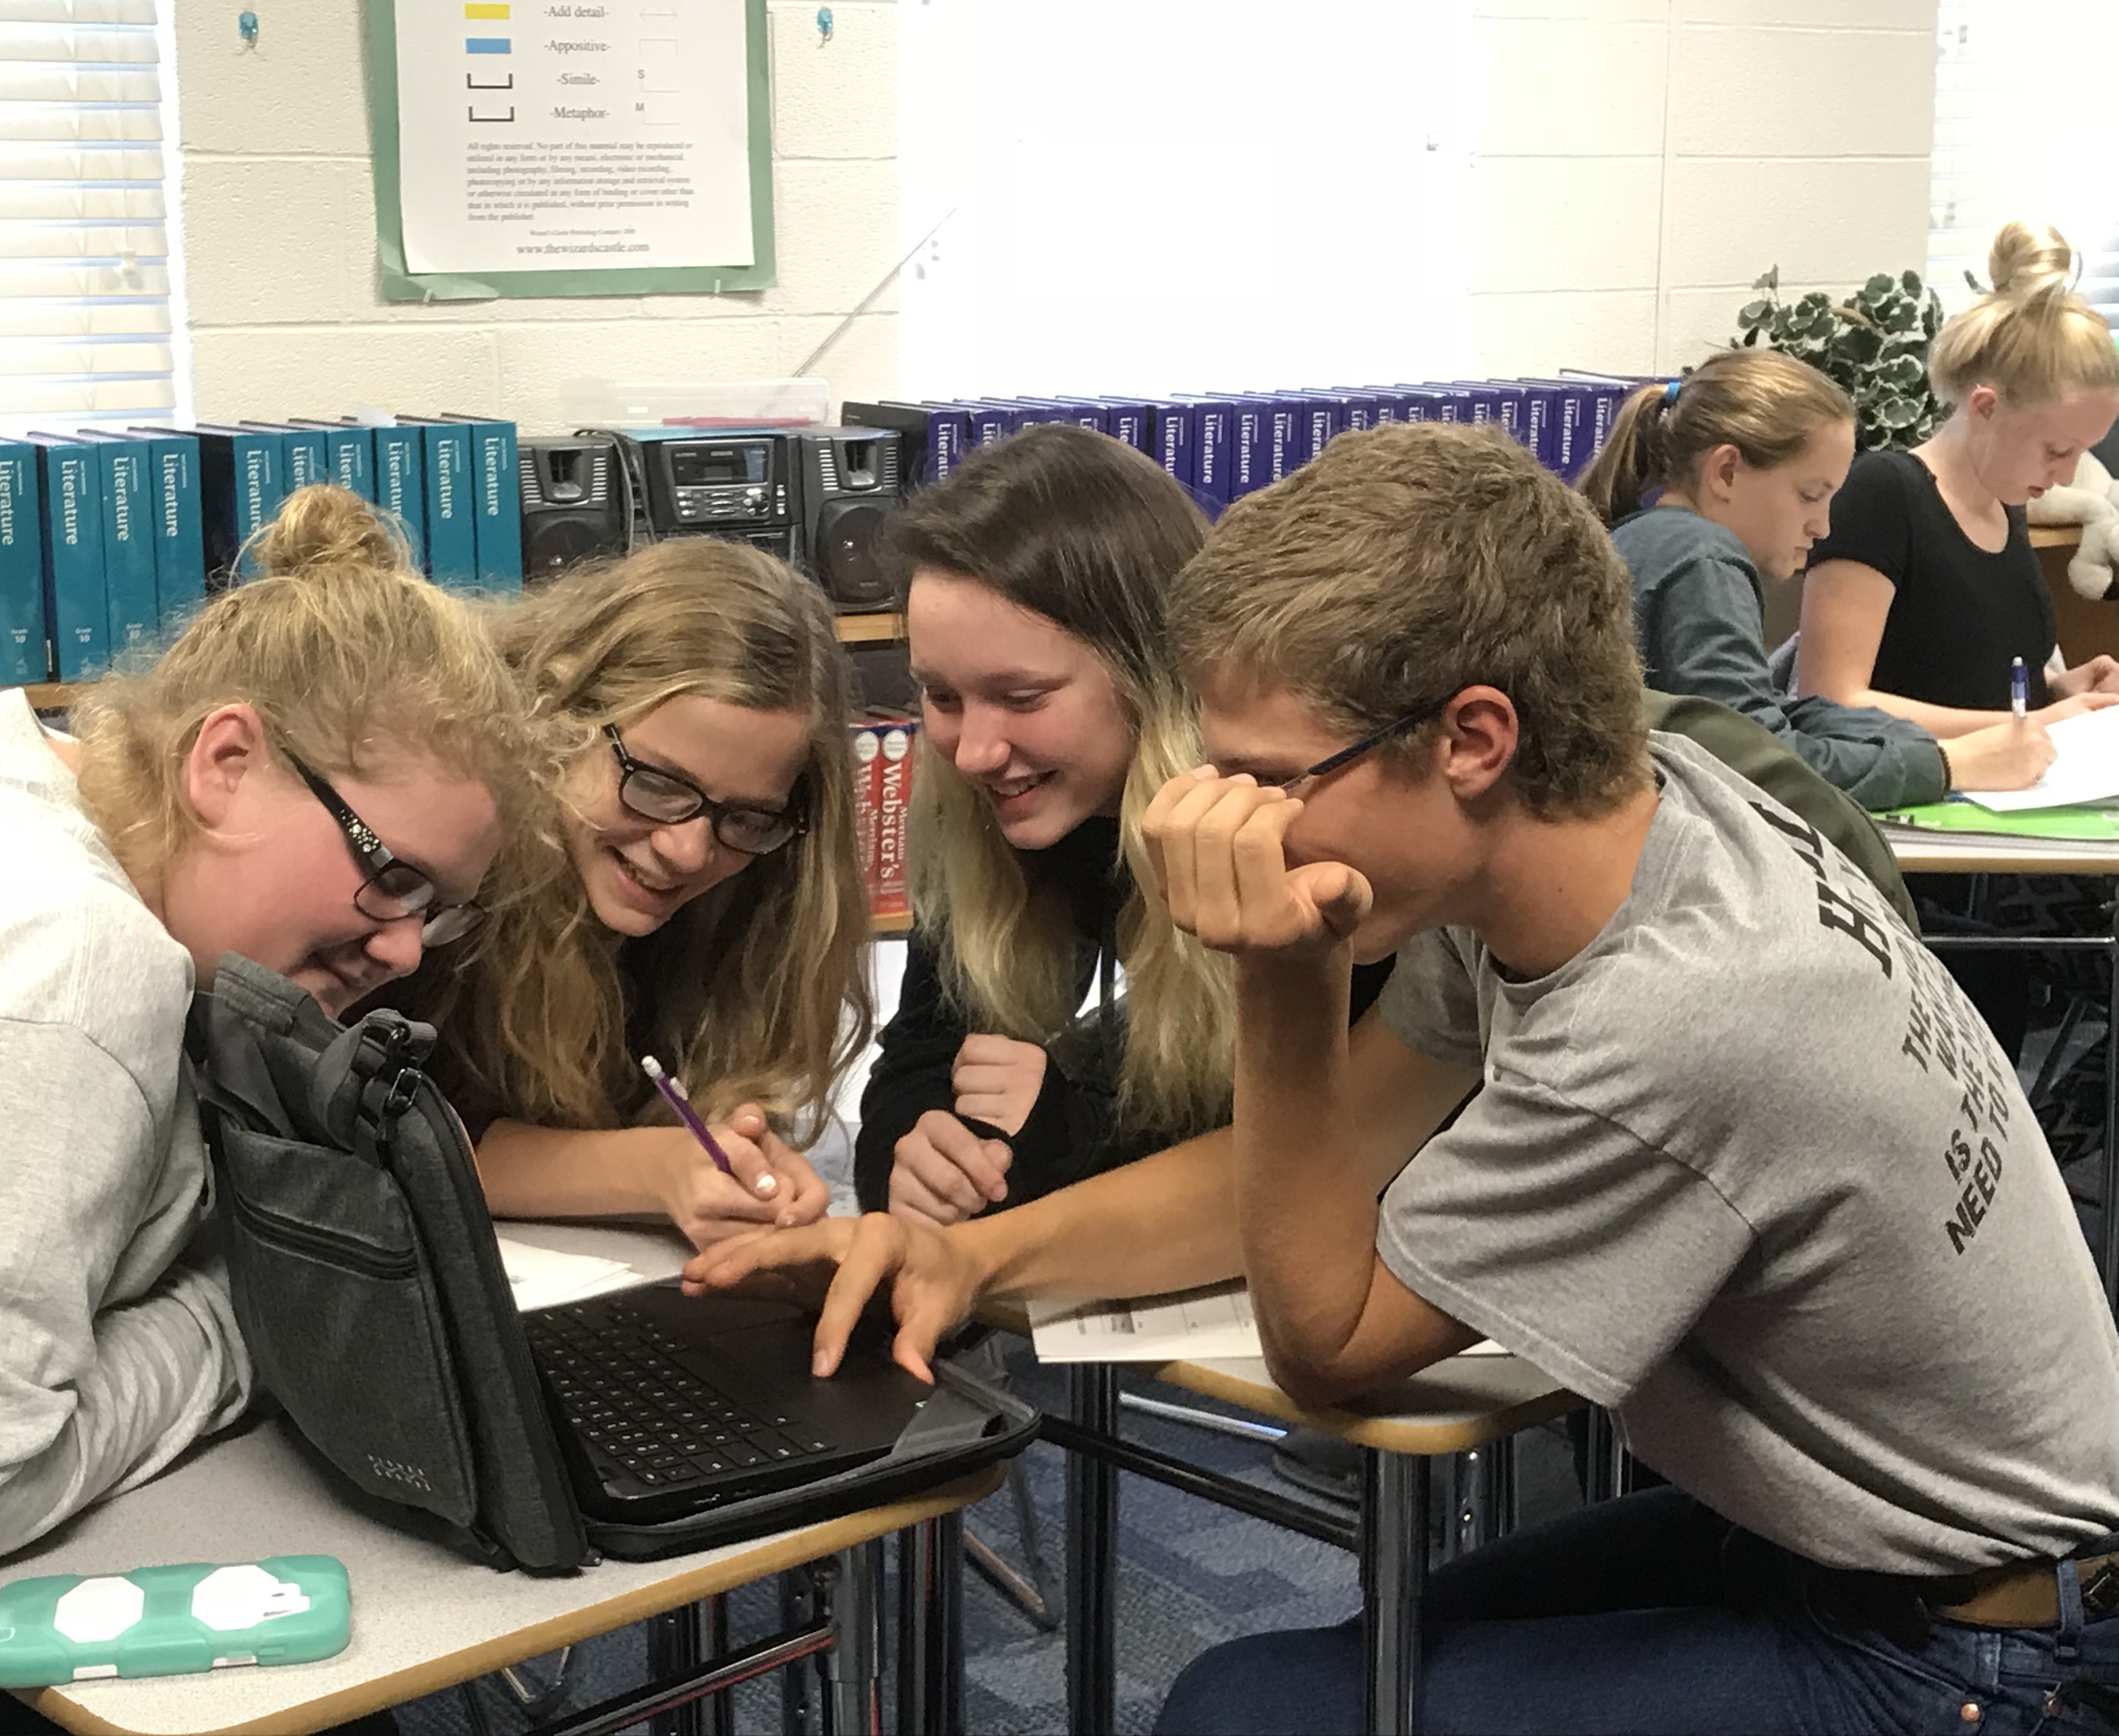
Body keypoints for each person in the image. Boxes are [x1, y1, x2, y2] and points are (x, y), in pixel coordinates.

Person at [688, 421, 2119, 1734]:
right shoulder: (1628, 822)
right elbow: (1339, 1150)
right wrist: (969, 1257)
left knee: (1243, 1715)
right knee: (1368, 1653)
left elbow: (1328, 1343)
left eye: (1264, 777)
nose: (1222, 820)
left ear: (1474, 740)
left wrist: (1281, 975)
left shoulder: (1672, 1021)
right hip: (1868, 1541)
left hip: (1991, 1647)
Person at [0, 483, 532, 1735]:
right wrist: (249, 1313)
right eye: (391, 875)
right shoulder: (68, 972)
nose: (407, 950)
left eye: (439, 909)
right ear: (224, 761)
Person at [356, 533, 873, 1251]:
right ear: (555, 709)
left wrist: (727, 1164)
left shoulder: (757, 890)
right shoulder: (439, 846)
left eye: (748, 818)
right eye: (658, 784)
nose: (689, 851)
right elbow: (376, 1123)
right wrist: (653, 1170)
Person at [853, 423, 1239, 1227]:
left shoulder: (1271, 827)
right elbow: (921, 1055)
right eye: (942, 697)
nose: (974, 753)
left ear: (1152, 671)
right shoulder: (980, 815)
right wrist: (913, 1153)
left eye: (1021, 698)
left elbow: (1316, 1151)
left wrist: (1072, 1131)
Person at [1583, 346, 2060, 809]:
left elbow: (1765, 718)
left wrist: (1914, 741)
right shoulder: (1703, 561)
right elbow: (1755, 767)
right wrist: (1948, 766)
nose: (1824, 527)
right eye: (1811, 495)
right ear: (1726, 472)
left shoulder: (1648, 539)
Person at [1799, 220, 2119, 733]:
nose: (2064, 477)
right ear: (1986, 408)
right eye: (2056, 451)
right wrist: (2033, 725)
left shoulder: (2005, 504)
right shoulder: (1884, 495)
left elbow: (1975, 680)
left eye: (2079, 454)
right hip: (1909, 780)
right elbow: (1832, 701)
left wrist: (2059, 689)